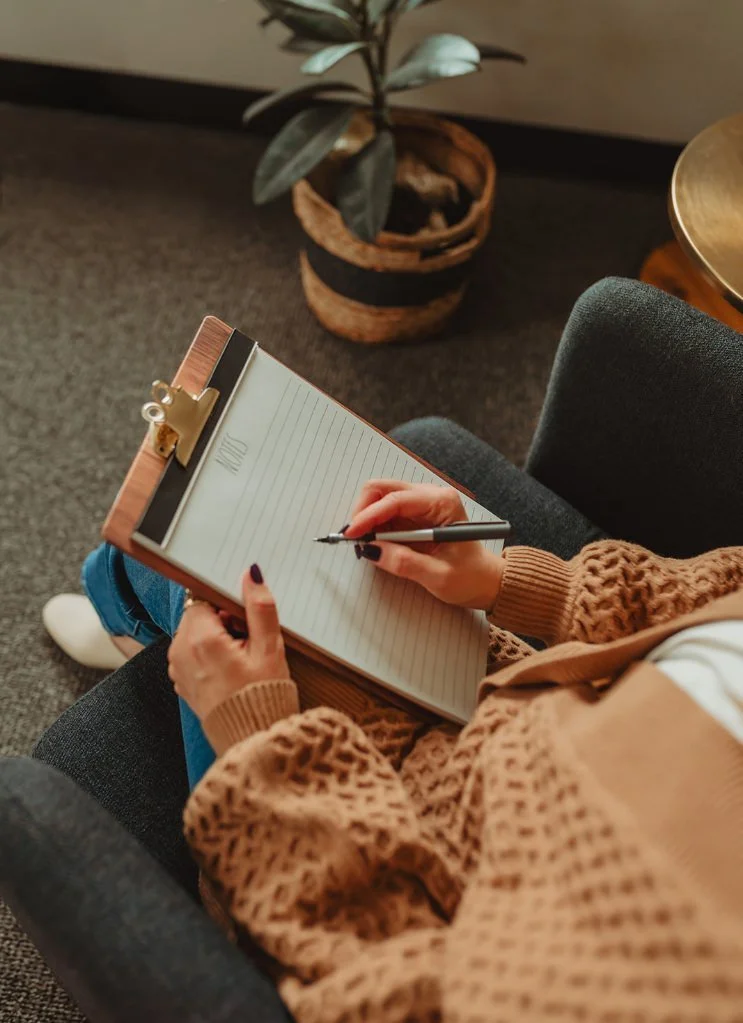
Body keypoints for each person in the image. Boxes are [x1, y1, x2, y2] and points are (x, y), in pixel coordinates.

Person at [41, 468, 743, 1023]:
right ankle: (142, 637)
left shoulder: (696, 976)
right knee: (250, 511)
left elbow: (384, 985)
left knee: (170, 547)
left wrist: (260, 734)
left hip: (369, 829)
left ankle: (126, 625)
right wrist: (517, 583)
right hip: (493, 681)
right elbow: (708, 594)